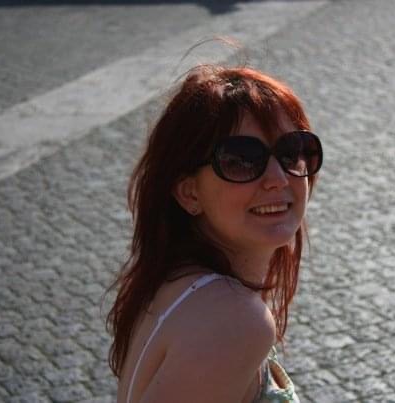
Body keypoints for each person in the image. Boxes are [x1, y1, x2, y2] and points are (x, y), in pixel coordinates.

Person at [107, 63, 322, 403]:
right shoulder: (234, 321)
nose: (278, 178)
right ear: (189, 193)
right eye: (240, 160)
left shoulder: (172, 283)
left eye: (291, 151)